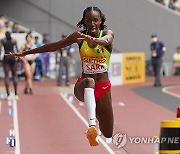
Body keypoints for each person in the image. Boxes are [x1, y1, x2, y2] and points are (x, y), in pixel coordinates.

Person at [6, 6, 114, 146]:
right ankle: (92, 127)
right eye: (88, 20)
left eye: (95, 20)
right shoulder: (79, 37)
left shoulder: (107, 33)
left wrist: (96, 41)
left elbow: (107, 40)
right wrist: (25, 53)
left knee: (108, 133)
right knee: (89, 81)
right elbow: (53, 47)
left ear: (100, 21)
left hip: (103, 87)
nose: (92, 24)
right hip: (84, 86)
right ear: (84, 21)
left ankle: (97, 128)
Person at [0, 31, 19, 100]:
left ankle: (8, 95)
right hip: (13, 57)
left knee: (7, 76)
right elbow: (17, 50)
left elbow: (0, 50)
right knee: (14, 75)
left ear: (5, 35)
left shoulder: (3, 40)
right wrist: (18, 60)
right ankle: (16, 94)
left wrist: (0, 60)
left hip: (6, 57)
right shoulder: (14, 40)